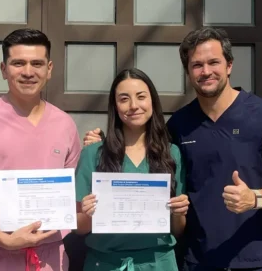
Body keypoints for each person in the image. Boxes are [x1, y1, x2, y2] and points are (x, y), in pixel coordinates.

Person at [84, 27, 262, 271]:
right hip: (199, 260)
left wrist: (255, 198)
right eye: (197, 65)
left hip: (260, 258)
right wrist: (104, 141)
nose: (206, 71)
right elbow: (140, 147)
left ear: (229, 65)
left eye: (213, 62)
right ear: (188, 71)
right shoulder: (179, 124)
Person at [0, 28, 81, 271]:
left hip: (50, 256)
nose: (28, 72)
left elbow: (73, 192)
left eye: (37, 63)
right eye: (18, 63)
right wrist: (3, 238)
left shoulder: (65, 125)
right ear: (3, 69)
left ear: (49, 69)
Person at [75, 68, 190, 271]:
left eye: (141, 97)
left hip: (159, 263)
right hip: (104, 263)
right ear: (115, 106)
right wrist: (88, 212)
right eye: (124, 99)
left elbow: (177, 229)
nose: (133, 106)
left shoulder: (171, 153)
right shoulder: (93, 154)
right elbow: (80, 227)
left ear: (152, 101)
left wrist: (179, 212)